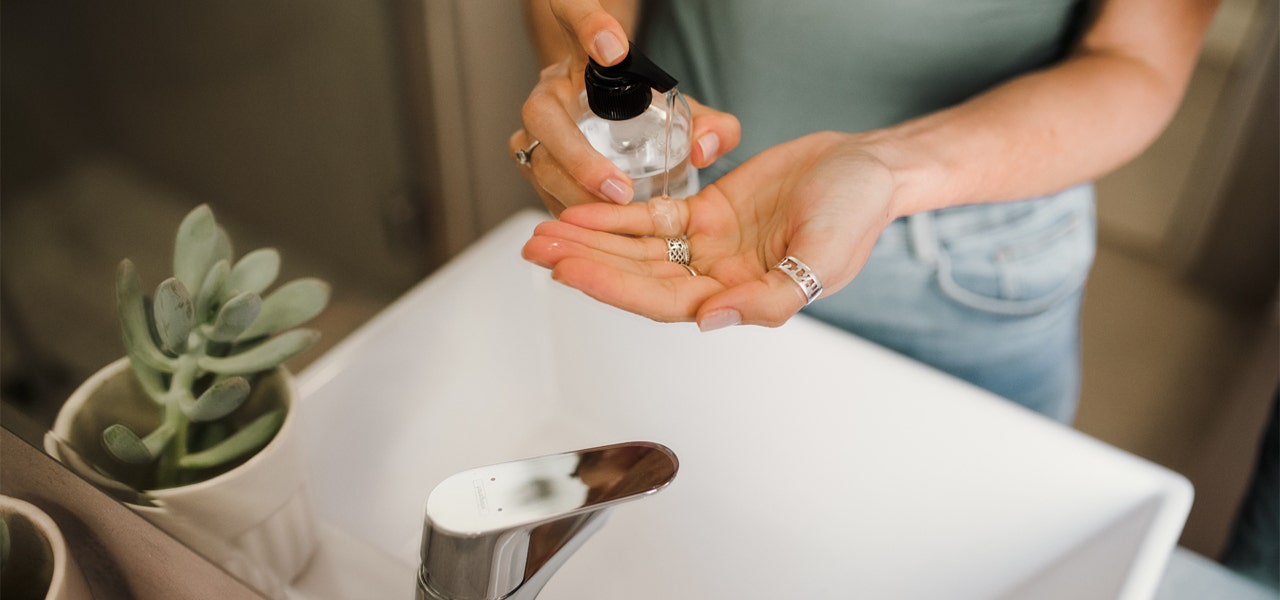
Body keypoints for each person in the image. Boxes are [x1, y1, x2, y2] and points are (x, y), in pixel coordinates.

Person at [511, 0, 1219, 423]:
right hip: (680, 207)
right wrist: (591, 74)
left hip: (965, 264)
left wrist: (887, 169)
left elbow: (1139, 57)